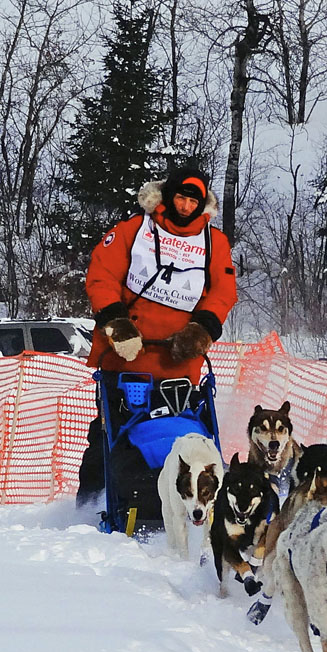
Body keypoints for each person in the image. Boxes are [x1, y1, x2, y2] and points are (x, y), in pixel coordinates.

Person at [77, 167, 237, 509]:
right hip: (124, 356)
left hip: (181, 361)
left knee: (186, 434)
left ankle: (194, 499)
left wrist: (203, 329)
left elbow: (223, 292)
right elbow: (101, 275)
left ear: (202, 203)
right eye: (180, 197)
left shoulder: (214, 241)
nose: (184, 206)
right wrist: (116, 323)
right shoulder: (134, 229)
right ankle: (88, 507)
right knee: (109, 434)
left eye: (192, 200)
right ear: (167, 196)